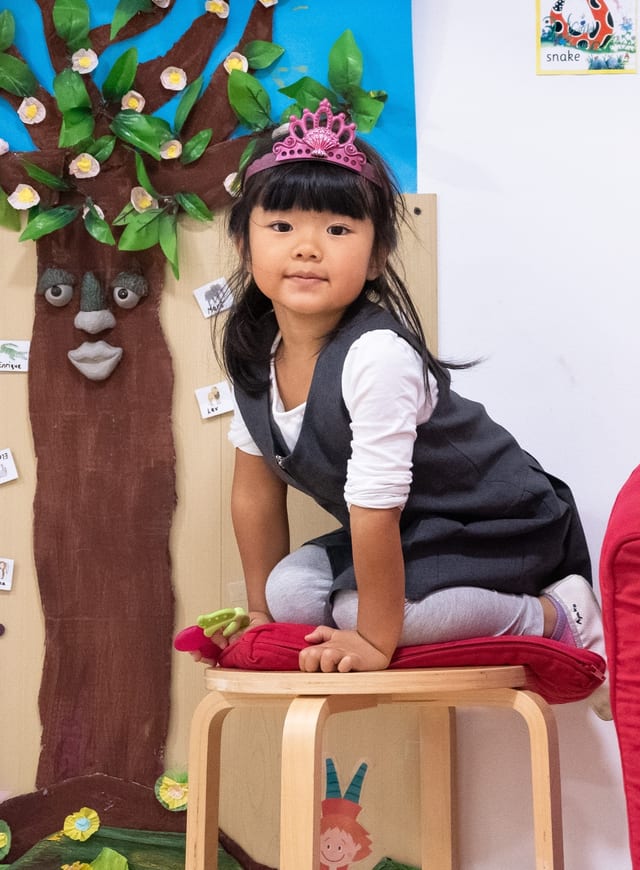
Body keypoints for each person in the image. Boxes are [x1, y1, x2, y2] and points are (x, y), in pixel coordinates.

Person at [214, 100, 607, 714]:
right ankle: (335, 606)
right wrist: (262, 615)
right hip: (415, 532)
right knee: (290, 594)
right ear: (244, 243)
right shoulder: (255, 356)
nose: (308, 248)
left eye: (338, 230)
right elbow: (254, 493)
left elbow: (375, 510)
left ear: (375, 258)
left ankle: (556, 613)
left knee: (355, 610)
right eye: (282, 226)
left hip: (500, 525)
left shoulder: (376, 355)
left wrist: (373, 639)